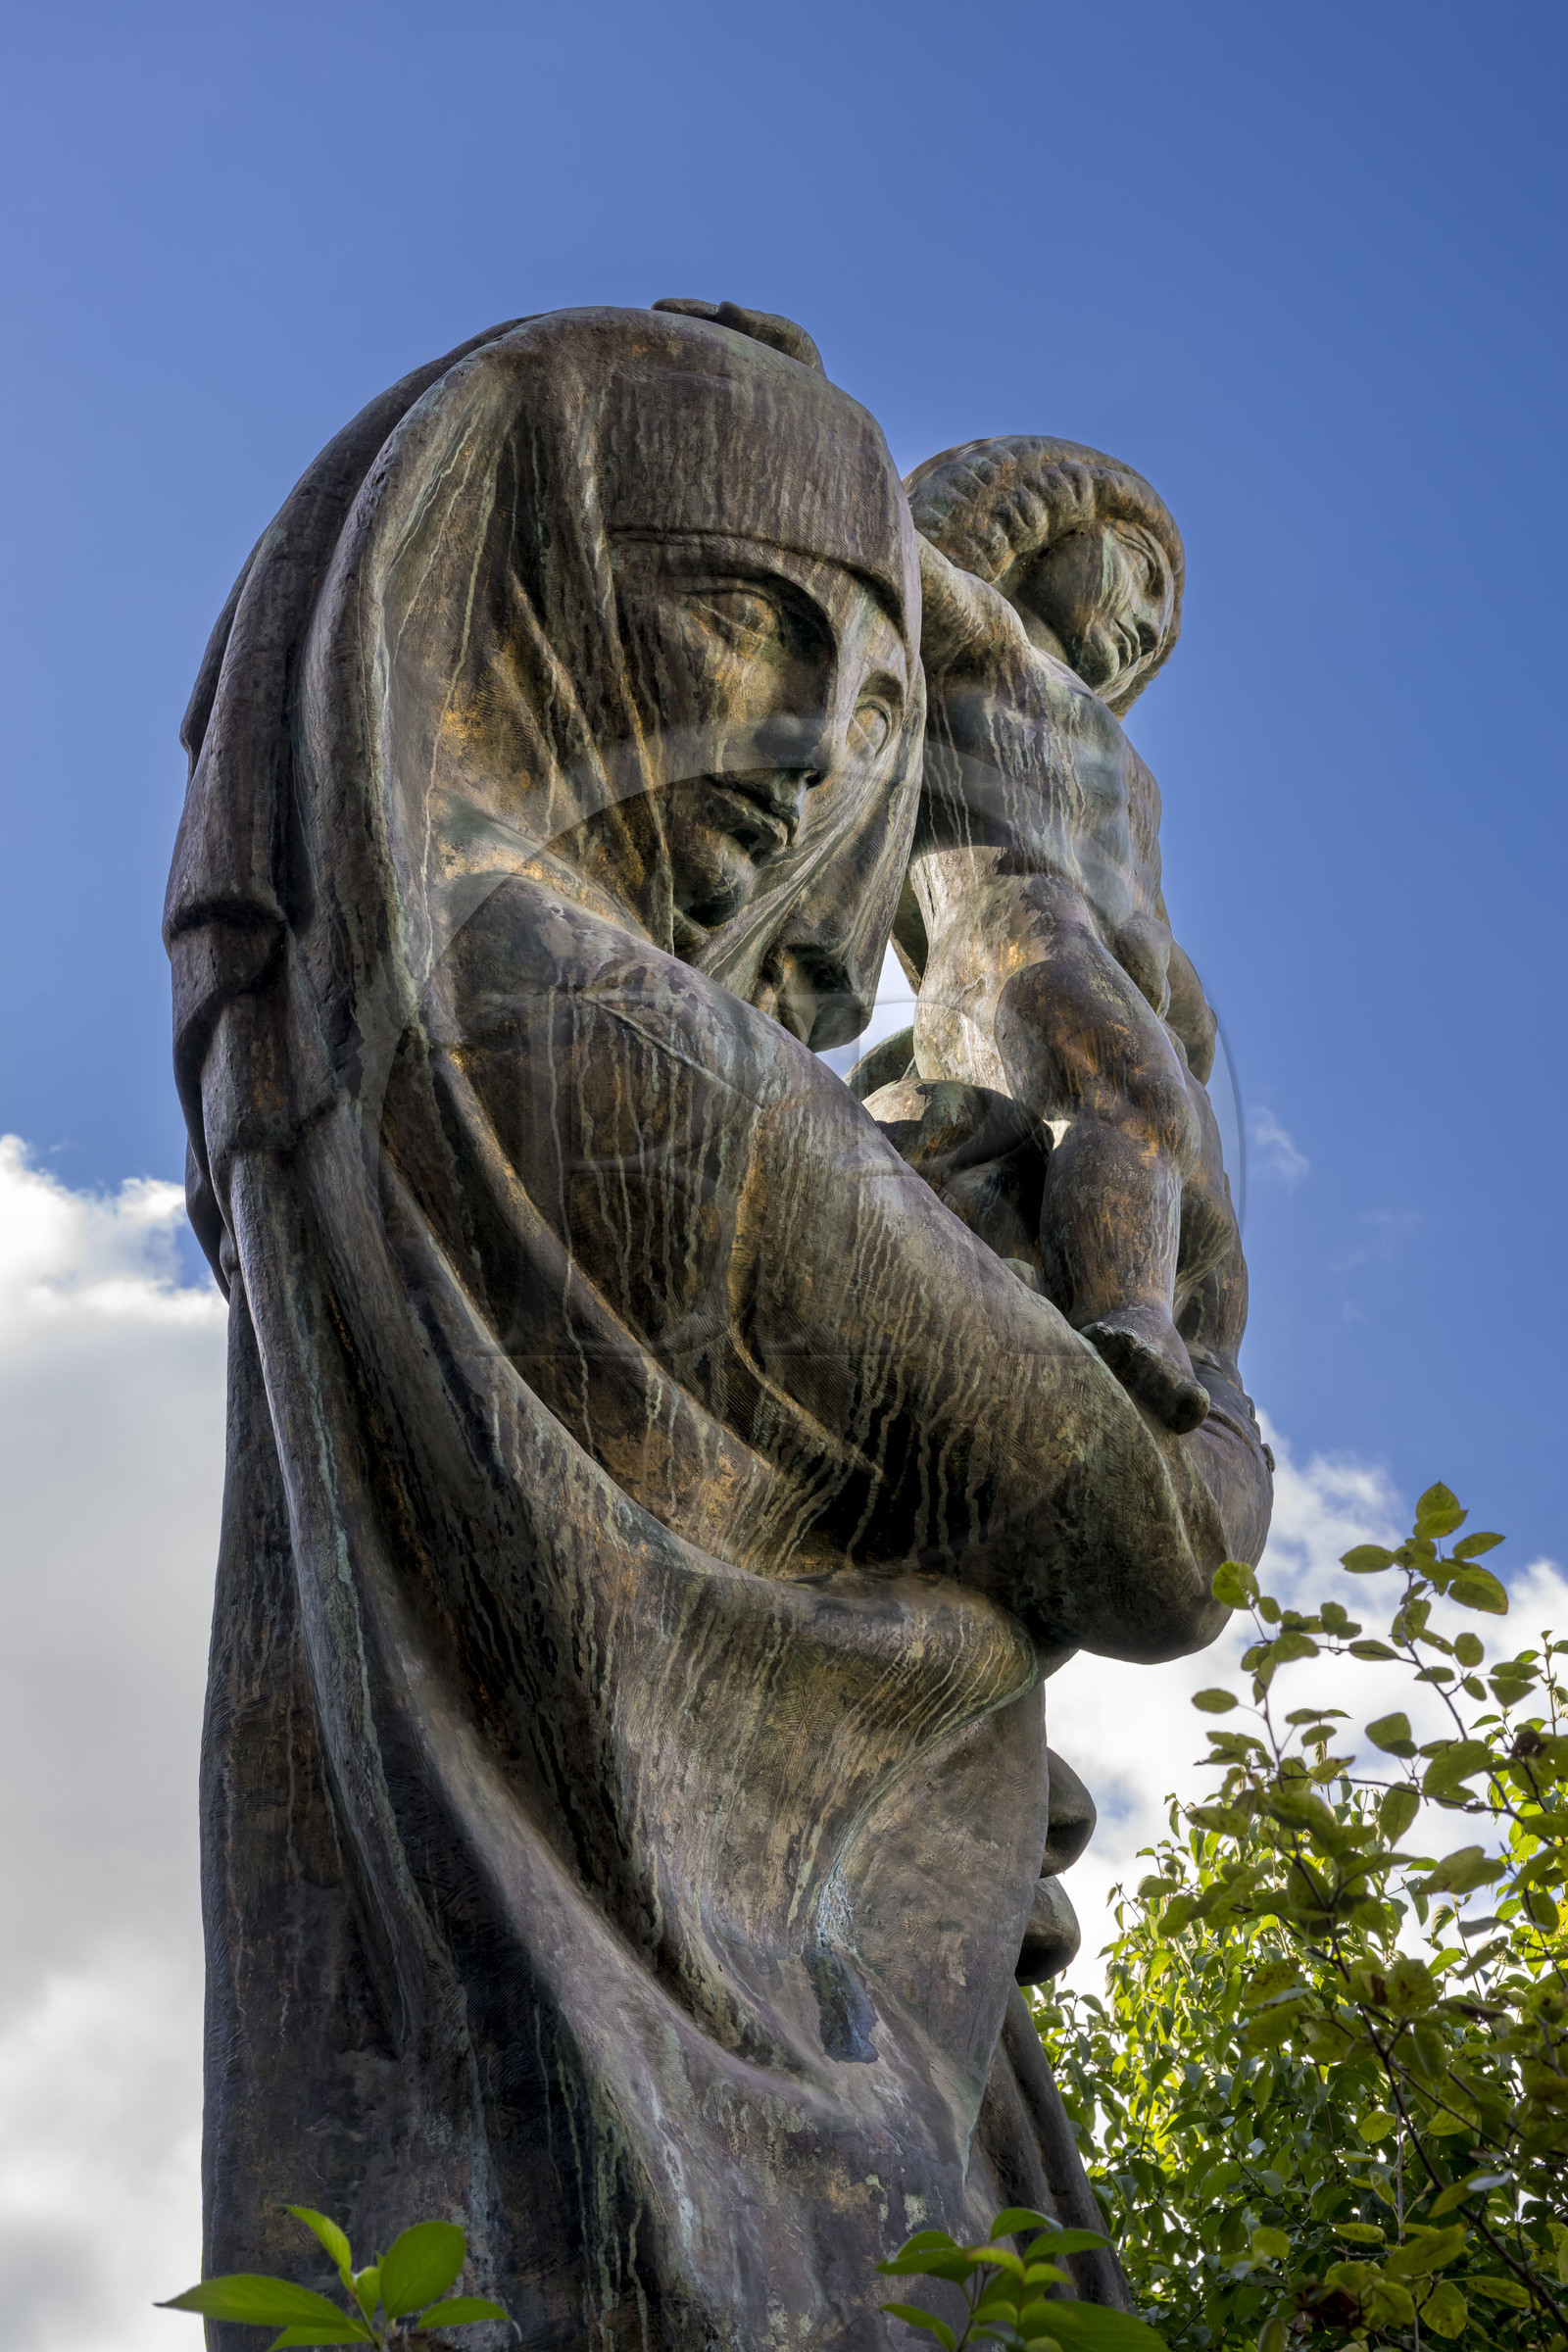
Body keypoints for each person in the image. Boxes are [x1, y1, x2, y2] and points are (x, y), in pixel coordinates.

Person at [168, 313, 1268, 2348]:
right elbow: (1154, 1549)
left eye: (864, 714)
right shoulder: (585, 1023)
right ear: (504, 577)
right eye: (742, 625)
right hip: (708, 2208)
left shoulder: (350, 1039)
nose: (800, 757)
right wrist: (1181, 1396)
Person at [865, 435, 1244, 1439]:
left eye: (1163, 631)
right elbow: (868, 551)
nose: (1149, 625)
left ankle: (1125, 1320)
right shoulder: (978, 648)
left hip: (1121, 985)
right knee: (1132, 1097)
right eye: (1144, 578)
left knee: (1196, 1211)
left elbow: (1143, 909)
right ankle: (1125, 1321)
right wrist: (786, 403)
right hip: (1014, 936)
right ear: (1050, 525)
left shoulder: (1129, 768)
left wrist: (1186, 1000)